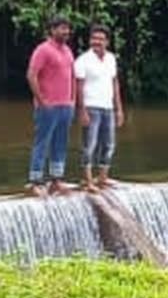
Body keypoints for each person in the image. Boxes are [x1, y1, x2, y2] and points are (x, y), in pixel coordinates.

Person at [26, 16, 76, 197]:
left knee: (60, 143)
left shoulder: (68, 51)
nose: (66, 32)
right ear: (52, 30)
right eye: (62, 28)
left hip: (65, 106)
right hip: (48, 106)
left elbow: (72, 76)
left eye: (67, 29)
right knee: (42, 142)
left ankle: (56, 180)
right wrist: (41, 100)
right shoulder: (43, 50)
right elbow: (31, 75)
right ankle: (35, 181)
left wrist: (73, 100)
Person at [75, 24, 125, 190]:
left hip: (108, 107)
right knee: (89, 145)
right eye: (94, 38)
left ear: (107, 42)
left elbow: (115, 83)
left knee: (109, 144)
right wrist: (81, 110)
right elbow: (78, 87)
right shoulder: (83, 60)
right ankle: (88, 180)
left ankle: (103, 177)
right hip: (91, 107)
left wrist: (119, 109)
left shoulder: (111, 58)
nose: (96, 42)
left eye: (100, 39)